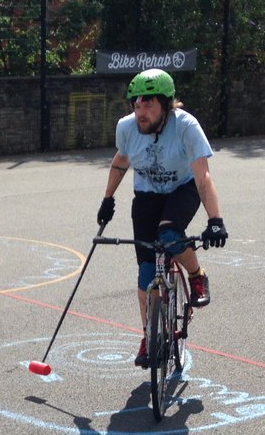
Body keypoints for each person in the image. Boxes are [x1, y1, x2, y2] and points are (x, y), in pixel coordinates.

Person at [96, 68, 228, 368]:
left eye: (148, 105)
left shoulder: (186, 127)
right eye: (136, 105)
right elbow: (121, 162)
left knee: (169, 235)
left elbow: (202, 175)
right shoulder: (127, 128)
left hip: (182, 189)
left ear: (167, 104)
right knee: (146, 275)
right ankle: (149, 336)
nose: (140, 112)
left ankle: (196, 275)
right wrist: (107, 199)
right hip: (146, 197)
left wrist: (215, 220)